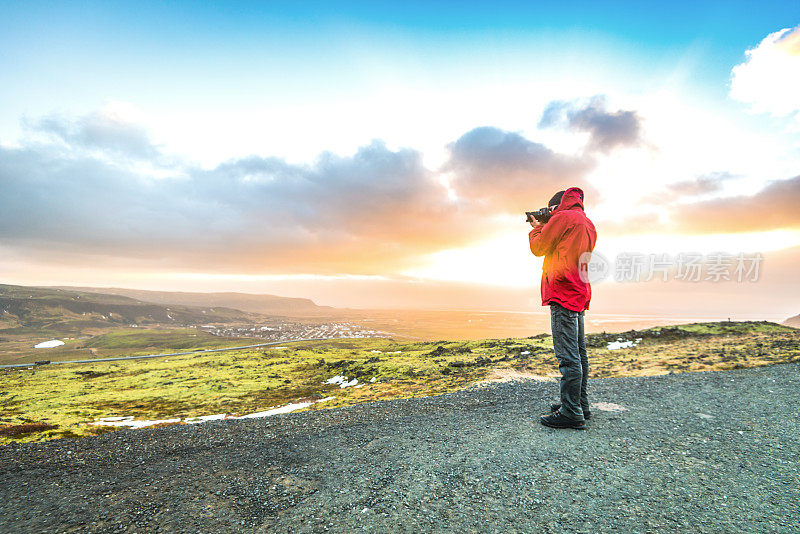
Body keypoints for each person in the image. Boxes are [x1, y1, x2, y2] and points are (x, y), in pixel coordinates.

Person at [529, 187, 597, 429]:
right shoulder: (586, 222)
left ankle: (571, 412)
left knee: (568, 357)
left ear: (556, 207)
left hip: (563, 291)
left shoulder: (562, 218)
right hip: (579, 290)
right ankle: (580, 405)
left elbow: (539, 248)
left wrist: (537, 226)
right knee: (579, 354)